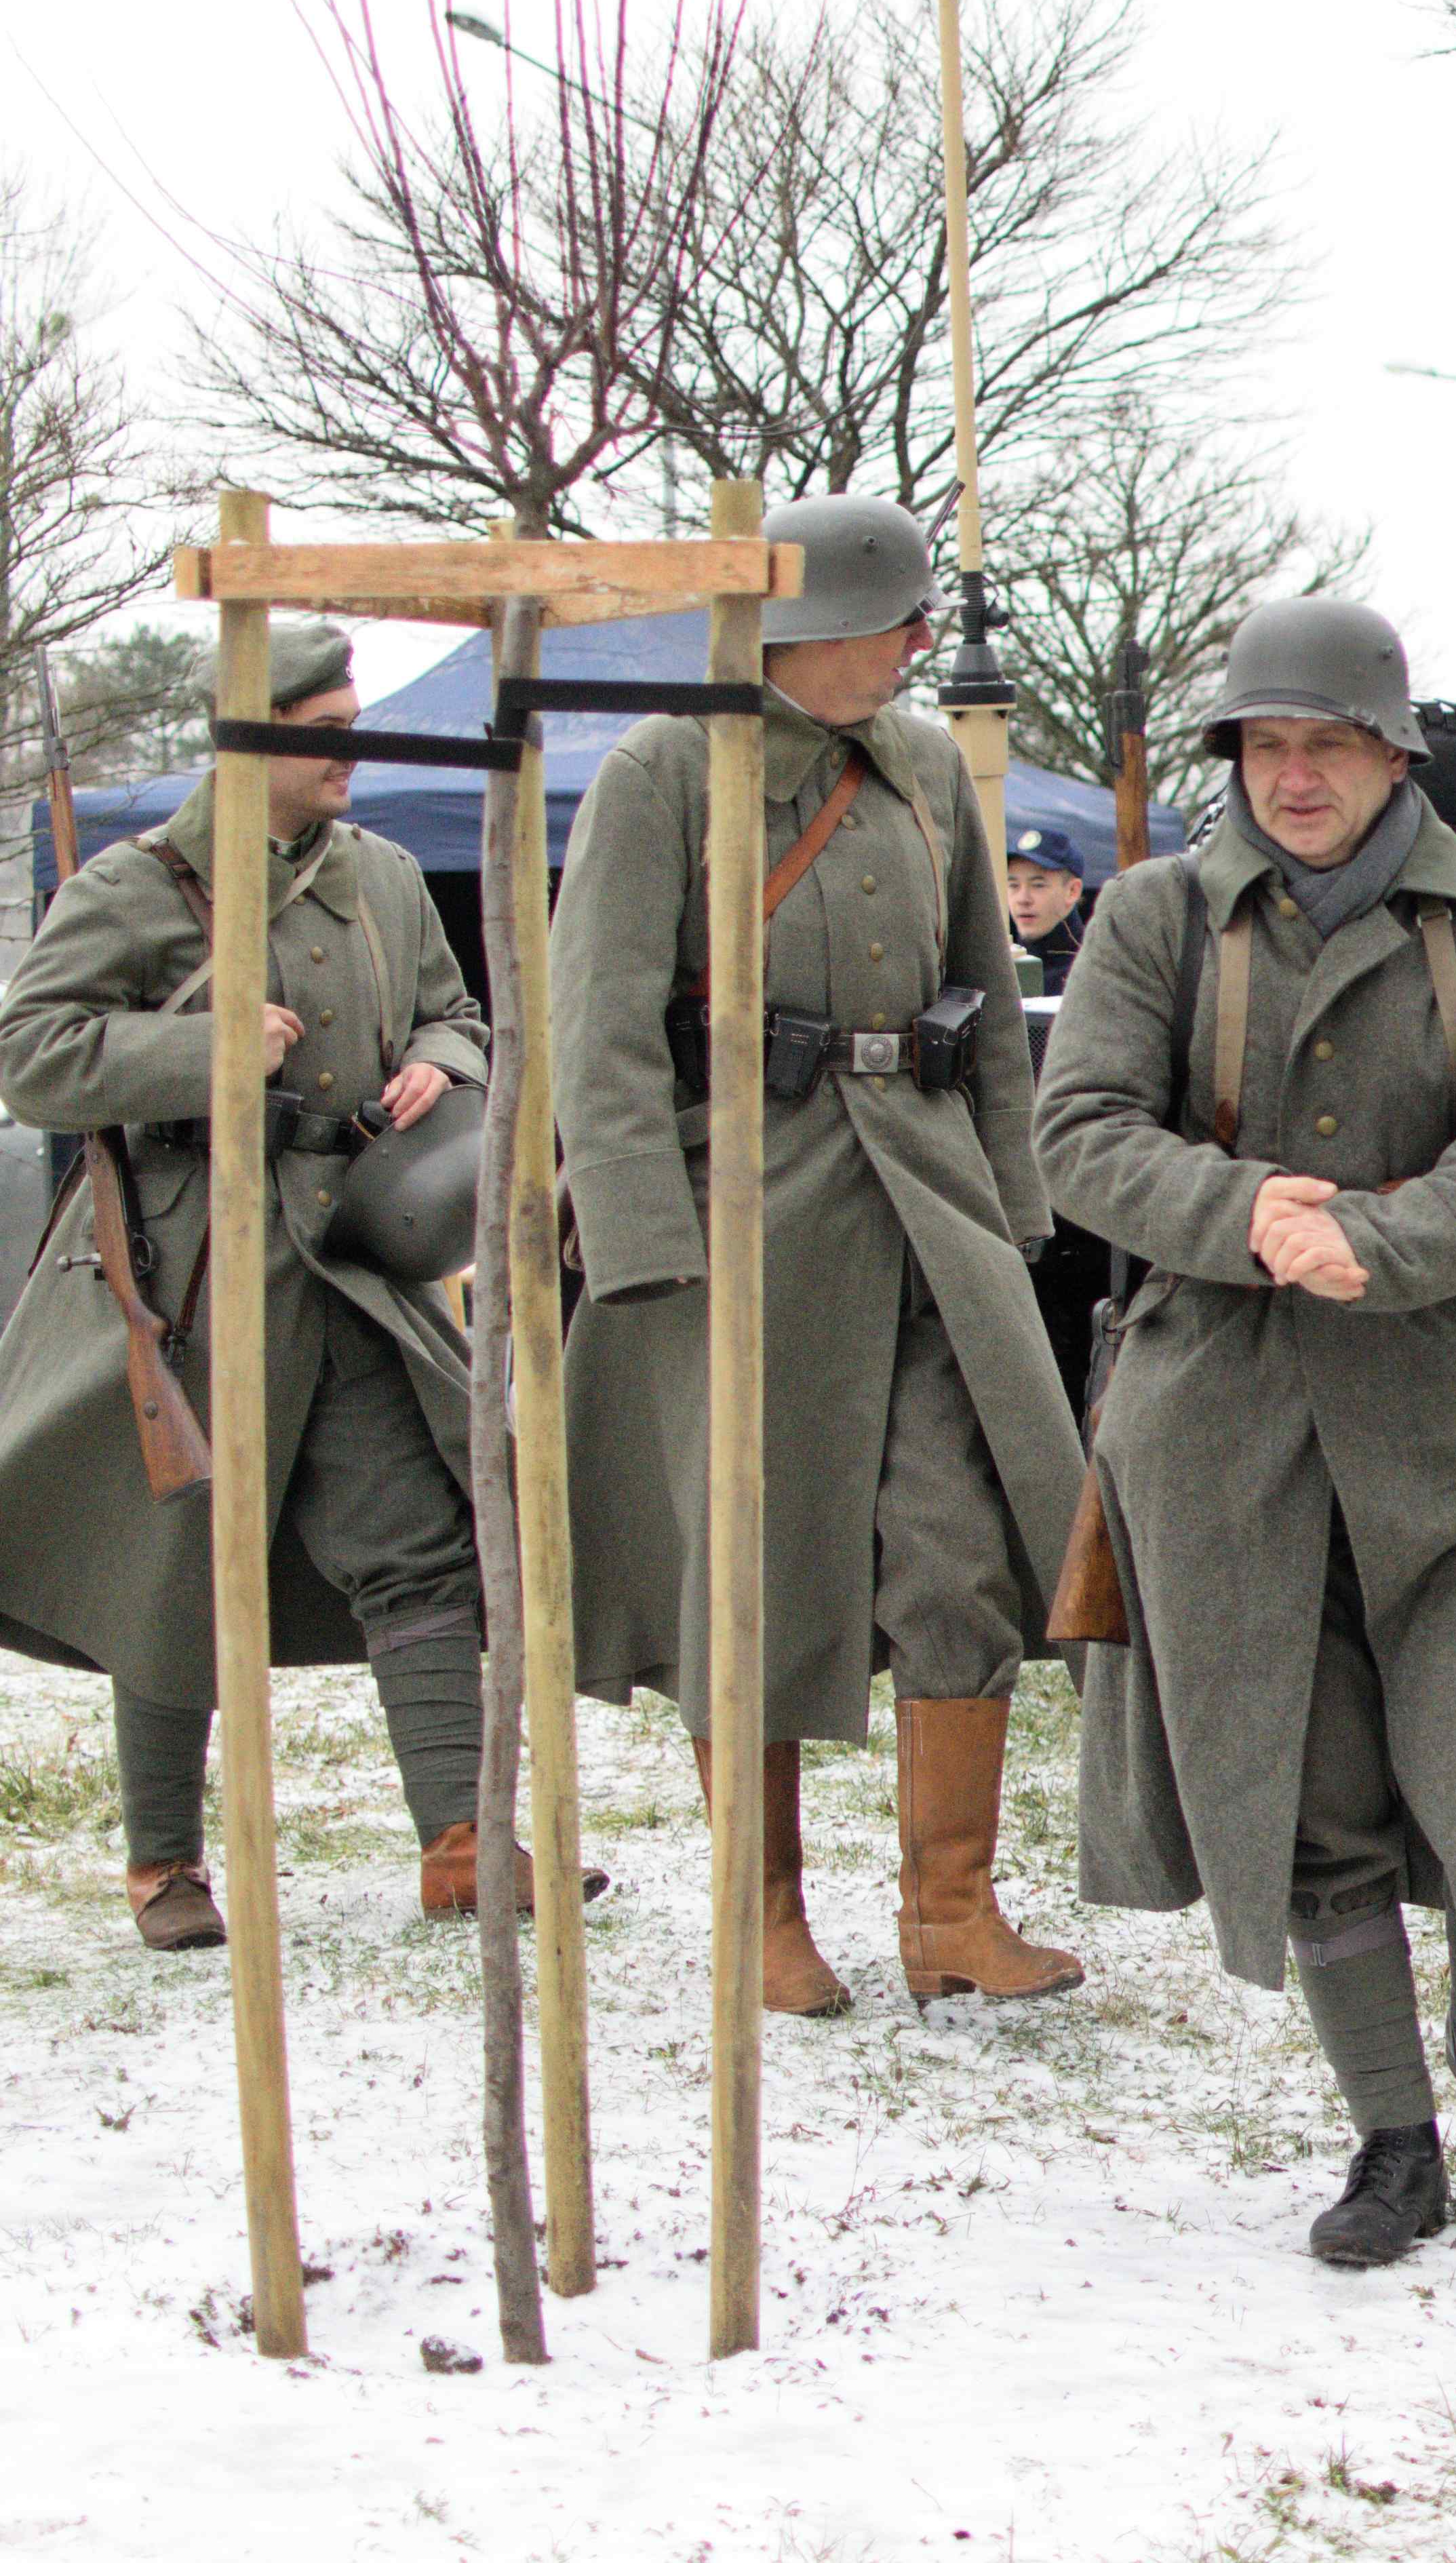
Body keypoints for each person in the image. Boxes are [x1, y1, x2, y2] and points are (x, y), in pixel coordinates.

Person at [1036, 597, 1456, 2267]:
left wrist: (1384, 1237)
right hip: (1219, 1411)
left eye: (1328, 746)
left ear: (1389, 755)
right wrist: (1239, 1206)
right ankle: (1389, 2139)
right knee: (1303, 1792)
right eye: (1267, 747)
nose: (1295, 778)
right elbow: (1079, 1131)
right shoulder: (1154, 920)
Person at [551, 494, 1086, 2020]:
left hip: (925, 1201)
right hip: (748, 1216)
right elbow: (599, 1035)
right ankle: (762, 1915)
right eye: (898, 620)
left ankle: (952, 1914)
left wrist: (1013, 1208)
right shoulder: (667, 774)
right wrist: (650, 1251)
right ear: (797, 629)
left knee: (960, 1551)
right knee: (756, 1571)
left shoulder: (922, 764)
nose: (923, 644)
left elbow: (981, 987)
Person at [0, 620, 603, 1944]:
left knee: (419, 1545)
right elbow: (31, 1055)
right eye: (326, 732)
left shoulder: (384, 876)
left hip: (353, 1270)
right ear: (248, 736)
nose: (351, 754)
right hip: (195, 1277)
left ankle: (460, 1838)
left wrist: (445, 1062)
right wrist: (198, 1047)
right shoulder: (138, 884)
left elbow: (460, 1009)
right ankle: (164, 1867)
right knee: (170, 1572)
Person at [1004, 823, 1089, 996]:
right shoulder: (1000, 966)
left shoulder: (1095, 970)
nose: (1023, 899)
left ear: (1072, 891)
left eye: (1038, 885)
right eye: (1013, 885)